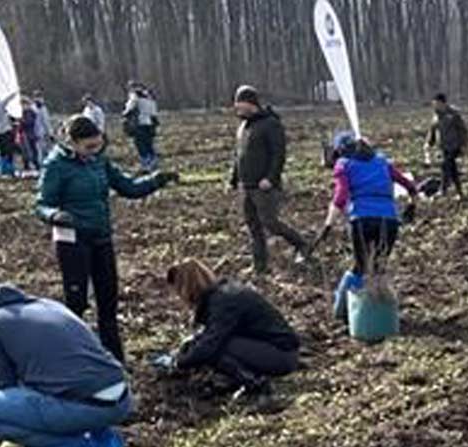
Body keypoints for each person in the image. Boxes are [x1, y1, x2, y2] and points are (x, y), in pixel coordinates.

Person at [34, 114, 178, 360]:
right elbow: (41, 204)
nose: (94, 151)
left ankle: (115, 358)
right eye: (88, 147)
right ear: (72, 143)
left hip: (101, 238)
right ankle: (71, 356)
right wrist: (55, 215)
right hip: (72, 240)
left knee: (108, 301)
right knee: (77, 302)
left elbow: (128, 187)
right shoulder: (56, 165)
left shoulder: (99, 161)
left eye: (97, 145)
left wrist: (157, 180)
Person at [0, 283, 130, 447]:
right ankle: (106, 440)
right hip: (121, 399)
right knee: (69, 377)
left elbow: (5, 385)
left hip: (86, 408)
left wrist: (13, 437)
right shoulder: (50, 305)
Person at [155, 258, 302, 403]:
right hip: (274, 348)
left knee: (216, 349)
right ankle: (243, 381)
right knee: (205, 344)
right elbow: (214, 332)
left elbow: (210, 344)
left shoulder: (224, 302)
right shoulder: (221, 295)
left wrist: (178, 362)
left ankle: (257, 386)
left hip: (282, 355)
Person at [320, 133, 420, 320]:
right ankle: (380, 314)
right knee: (379, 266)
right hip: (389, 221)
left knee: (359, 266)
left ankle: (341, 312)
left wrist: (328, 224)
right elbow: (409, 185)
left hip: (362, 220)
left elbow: (340, 197)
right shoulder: (382, 161)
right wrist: (412, 205)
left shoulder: (344, 164)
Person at [230, 85, 311, 276]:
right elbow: (238, 155)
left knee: (270, 223)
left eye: (240, 104)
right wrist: (234, 178)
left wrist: (270, 178)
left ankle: (301, 244)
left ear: (251, 104)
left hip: (263, 186)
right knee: (253, 226)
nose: (237, 109)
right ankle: (260, 266)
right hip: (246, 185)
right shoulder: (243, 127)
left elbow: (278, 154)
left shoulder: (270, 124)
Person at [424, 92, 468, 199]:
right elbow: (432, 131)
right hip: (443, 147)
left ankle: (442, 190)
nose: (435, 106)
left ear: (443, 103)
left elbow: (463, 130)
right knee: (452, 170)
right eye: (434, 104)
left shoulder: (453, 114)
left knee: (445, 166)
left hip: (454, 146)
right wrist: (429, 143)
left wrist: (464, 145)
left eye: (437, 103)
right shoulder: (436, 117)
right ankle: (459, 192)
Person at [123, 82, 160, 172]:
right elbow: (154, 113)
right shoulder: (150, 99)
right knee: (149, 144)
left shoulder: (134, 97)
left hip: (139, 124)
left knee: (140, 144)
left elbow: (129, 109)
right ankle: (153, 162)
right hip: (149, 124)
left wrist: (125, 113)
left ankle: (146, 164)